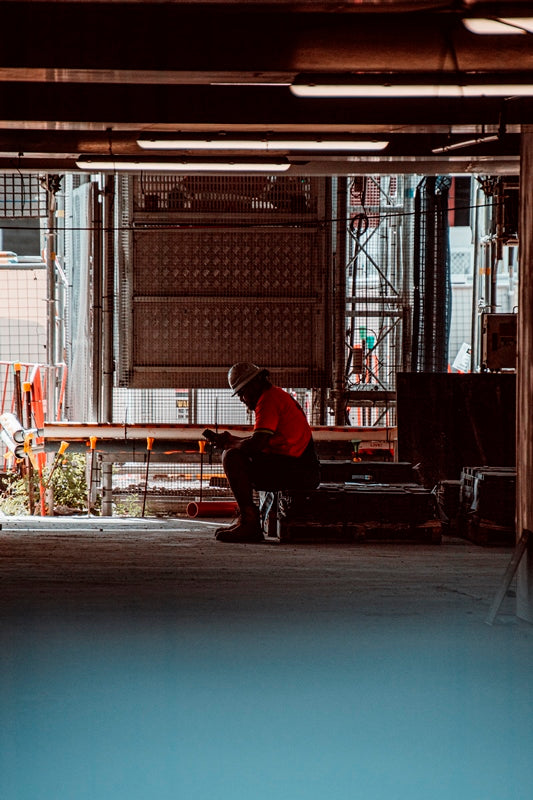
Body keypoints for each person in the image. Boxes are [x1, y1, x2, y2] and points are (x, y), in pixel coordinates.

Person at [207, 362, 320, 543]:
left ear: (254, 384)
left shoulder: (267, 401)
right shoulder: (275, 396)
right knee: (232, 452)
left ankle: (250, 522)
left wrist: (230, 445)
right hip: (300, 466)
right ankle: (247, 520)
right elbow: (259, 441)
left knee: (231, 458)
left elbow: (255, 445)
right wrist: (230, 440)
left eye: (242, 393)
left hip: (298, 471)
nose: (242, 399)